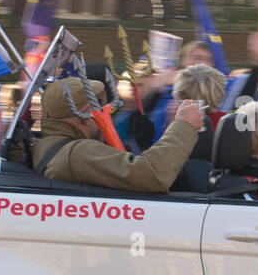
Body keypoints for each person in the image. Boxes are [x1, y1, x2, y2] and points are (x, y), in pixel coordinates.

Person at [34, 77, 204, 192]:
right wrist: (184, 126)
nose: (107, 113)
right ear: (86, 115)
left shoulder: (51, 145)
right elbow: (151, 175)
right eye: (101, 108)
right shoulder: (78, 153)